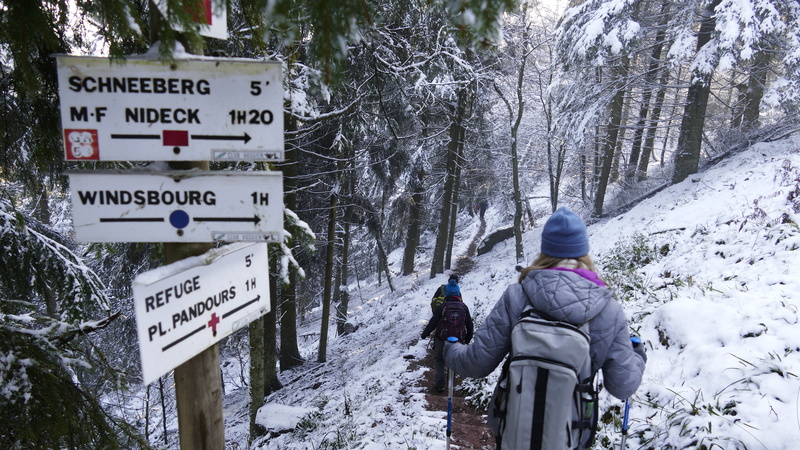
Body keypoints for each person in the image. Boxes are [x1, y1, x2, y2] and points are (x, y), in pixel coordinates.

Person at [443, 207, 646, 445]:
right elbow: (623, 386)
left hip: (513, 434)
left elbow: (475, 364)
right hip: (570, 438)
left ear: (545, 250)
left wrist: (450, 349)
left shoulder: (517, 297)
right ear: (583, 251)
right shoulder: (609, 311)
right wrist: (638, 356)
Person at [421, 279, 474, 392]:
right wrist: (468, 338)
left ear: (448, 293)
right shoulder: (464, 307)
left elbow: (433, 322)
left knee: (439, 359)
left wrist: (425, 334)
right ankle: (450, 383)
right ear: (458, 294)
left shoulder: (443, 307)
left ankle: (440, 385)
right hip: (458, 339)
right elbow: (469, 324)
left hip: (442, 338)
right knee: (453, 360)